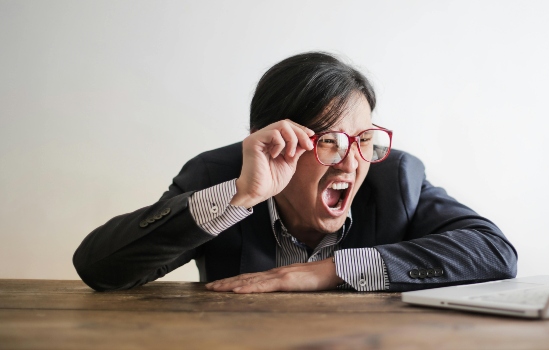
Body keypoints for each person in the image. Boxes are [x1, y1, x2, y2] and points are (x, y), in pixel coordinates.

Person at [73, 52, 518, 293]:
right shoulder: (218, 175)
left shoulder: (395, 176)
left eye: (364, 139)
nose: (350, 161)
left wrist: (329, 270)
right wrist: (239, 198)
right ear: (271, 140)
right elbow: (99, 269)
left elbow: (494, 252)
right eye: (328, 140)